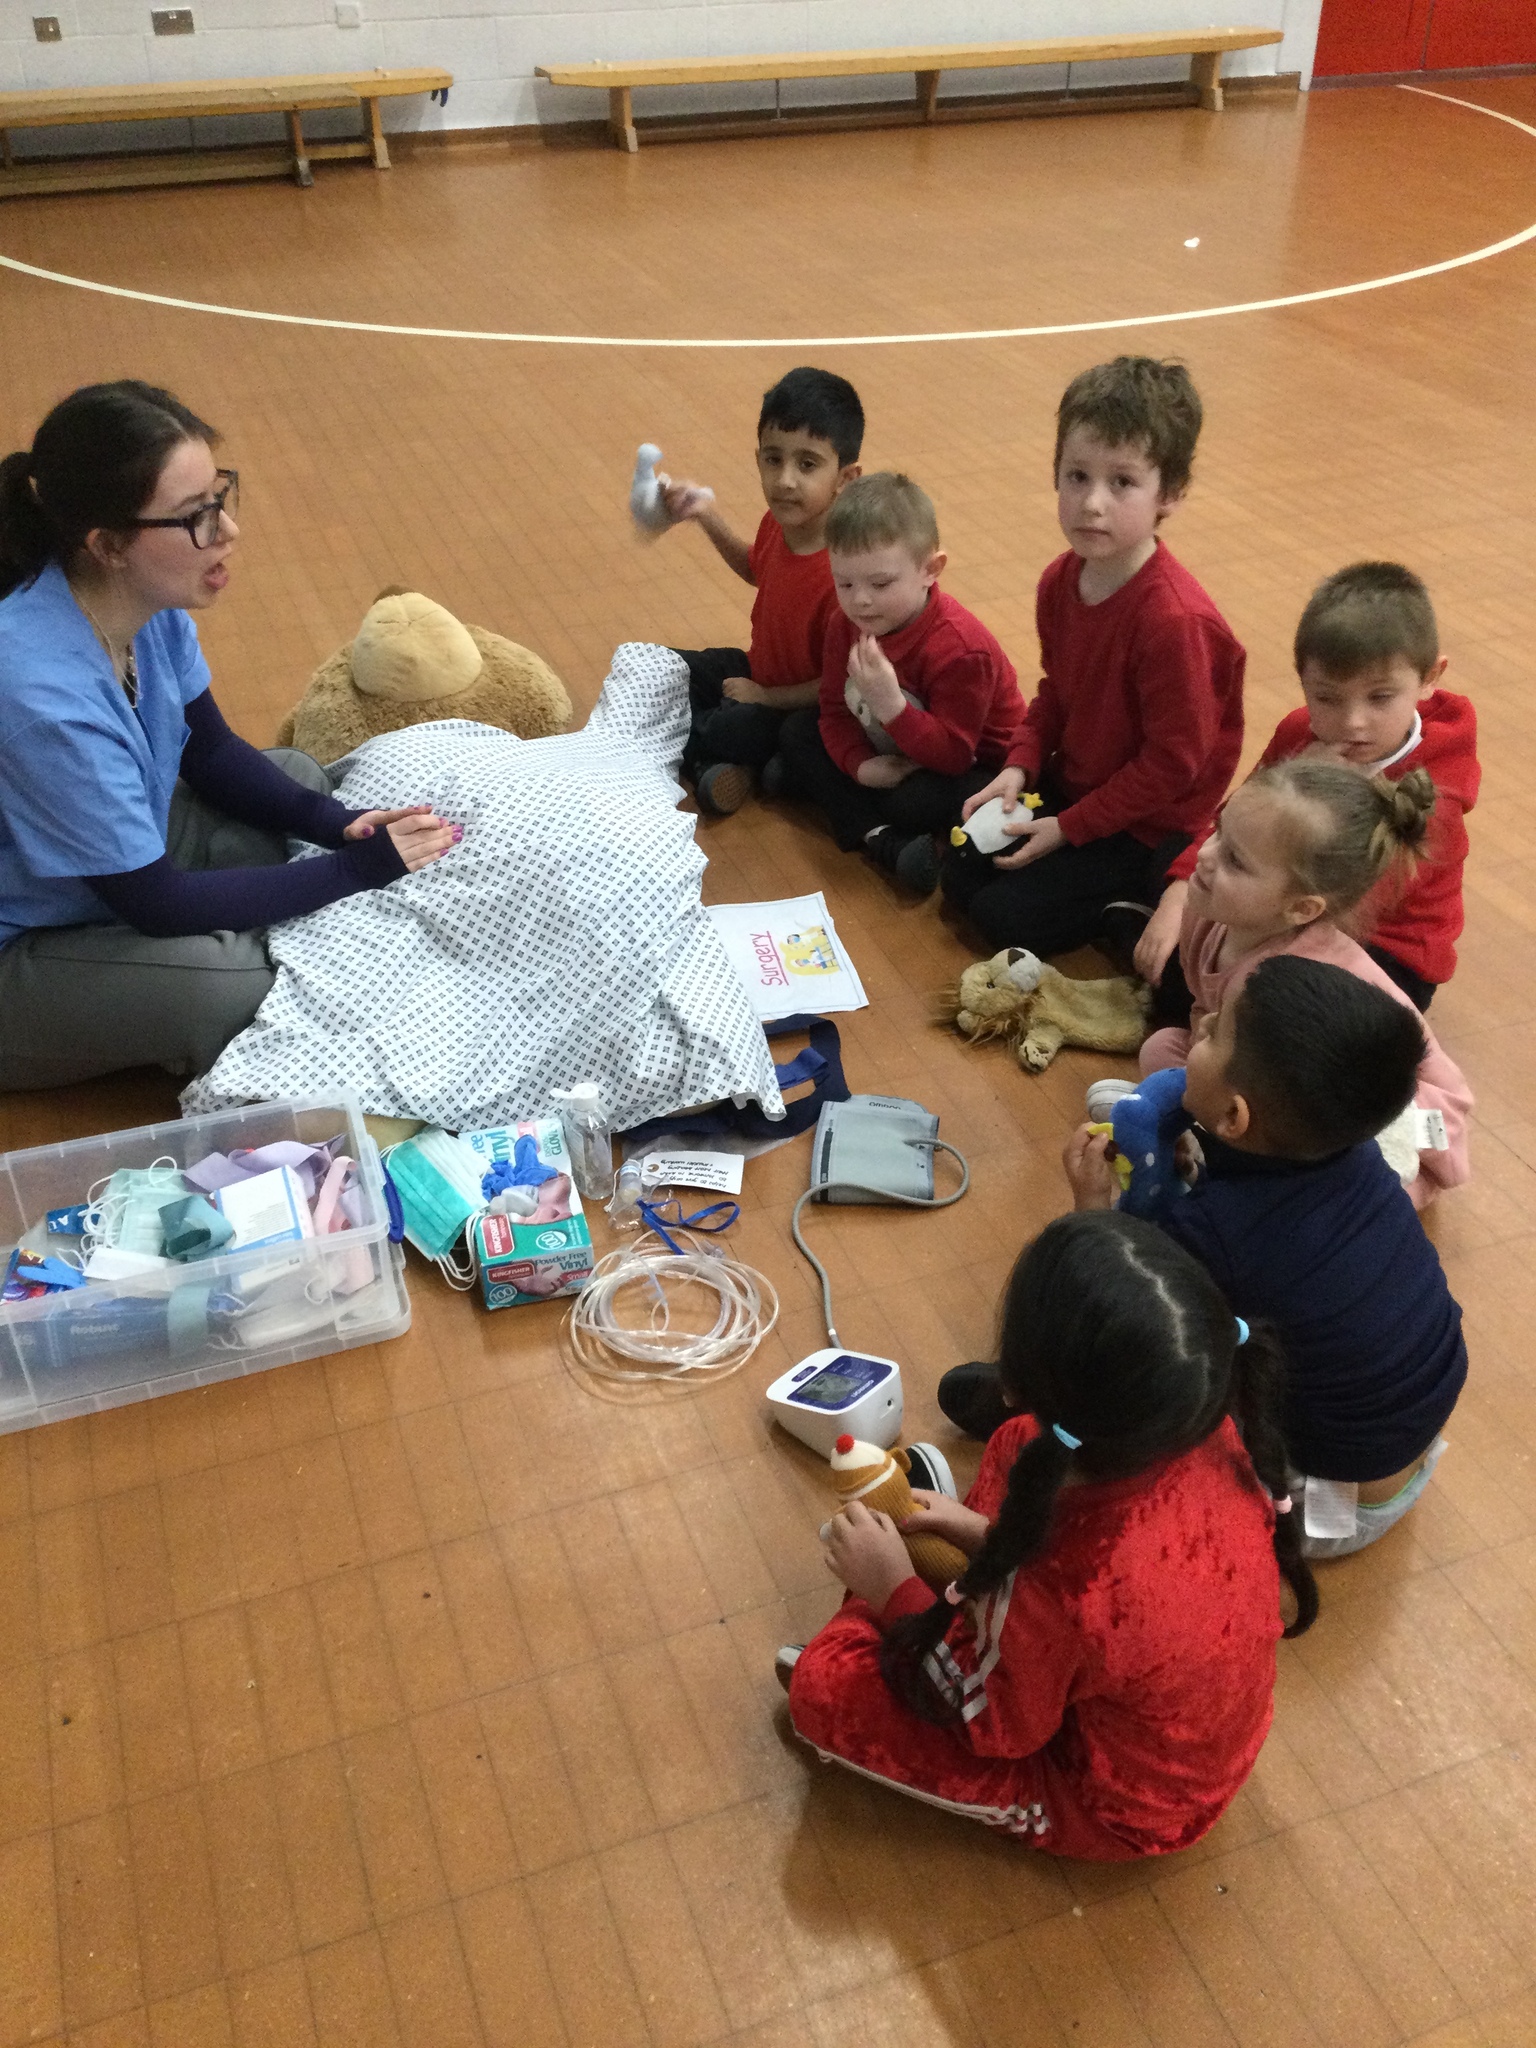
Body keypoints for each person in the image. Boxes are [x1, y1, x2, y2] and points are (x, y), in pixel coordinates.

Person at [780, 1210, 1315, 1860]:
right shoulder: (1218, 1436)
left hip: (1117, 1805)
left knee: (822, 1687)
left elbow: (993, 1725)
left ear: (1012, 1382)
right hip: (1171, 1718)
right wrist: (979, 1534)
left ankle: (882, 1604)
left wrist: (892, 1590)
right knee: (1015, 1448)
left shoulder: (1068, 1585)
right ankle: (917, 1584)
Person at [0, 380, 457, 1092]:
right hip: (25, 940)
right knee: (230, 983)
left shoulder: (147, 602)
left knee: (299, 781)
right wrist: (354, 872)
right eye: (195, 516)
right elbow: (156, 903)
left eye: (220, 497)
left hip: (101, 876)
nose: (227, 531)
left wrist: (343, 829)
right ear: (108, 544)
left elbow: (208, 751)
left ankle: (243, 934)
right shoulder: (42, 696)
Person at [1059, 959, 1469, 1561]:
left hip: (1322, 1508)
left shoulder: (1212, 1230)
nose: (1199, 1027)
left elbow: (1120, 1312)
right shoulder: (1356, 1155)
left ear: (1233, 1117)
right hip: (1413, 1442)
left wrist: (1090, 1212)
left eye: (1216, 1033)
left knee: (1114, 1402)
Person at [940, 356, 1244, 966]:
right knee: (963, 869)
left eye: (1122, 482)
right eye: (1076, 476)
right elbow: (1056, 691)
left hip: (1147, 825)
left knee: (1003, 916)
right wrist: (1021, 767)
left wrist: (1068, 827)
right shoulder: (1060, 581)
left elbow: (1172, 767)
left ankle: (1137, 900)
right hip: (1079, 786)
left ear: (1171, 495)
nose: (1092, 504)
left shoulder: (1174, 622)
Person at [1137, 561, 1479, 1011]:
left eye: (1380, 697)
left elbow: (1345, 899)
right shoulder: (1300, 733)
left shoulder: (1436, 787)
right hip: (1277, 901)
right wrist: (1179, 897)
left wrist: (1212, 918)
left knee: (1260, 1000)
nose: (1353, 722)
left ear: (1430, 678)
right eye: (1327, 697)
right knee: (1168, 862)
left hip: (1380, 949)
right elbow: (1235, 819)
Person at [1132, 756, 1471, 1206]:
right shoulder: (1209, 915)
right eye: (1218, 830)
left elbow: (1319, 1088)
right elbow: (1207, 1009)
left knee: (1313, 1193)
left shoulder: (1300, 977)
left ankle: (1397, 1191)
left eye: (1235, 860)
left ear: (1302, 909)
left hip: (1394, 1110)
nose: (1207, 856)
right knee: (1161, 1050)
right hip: (1275, 1072)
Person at [777, 472, 1023, 894]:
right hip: (893, 752)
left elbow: (955, 756)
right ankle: (881, 835)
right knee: (796, 730)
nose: (860, 600)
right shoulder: (845, 624)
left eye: (881, 583)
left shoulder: (962, 649)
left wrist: (891, 707)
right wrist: (861, 766)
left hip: (972, 764)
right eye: (844, 583)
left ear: (930, 570)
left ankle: (859, 816)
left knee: (913, 801)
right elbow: (833, 710)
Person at [653, 366, 863, 815]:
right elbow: (756, 568)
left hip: (796, 709)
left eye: (807, 464)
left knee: (731, 728)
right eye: (773, 459)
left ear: (845, 478)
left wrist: (766, 698)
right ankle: (739, 768)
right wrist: (705, 516)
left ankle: (726, 761)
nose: (785, 480)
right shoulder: (780, 521)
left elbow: (839, 683)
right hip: (756, 674)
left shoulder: (846, 573)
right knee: (659, 668)